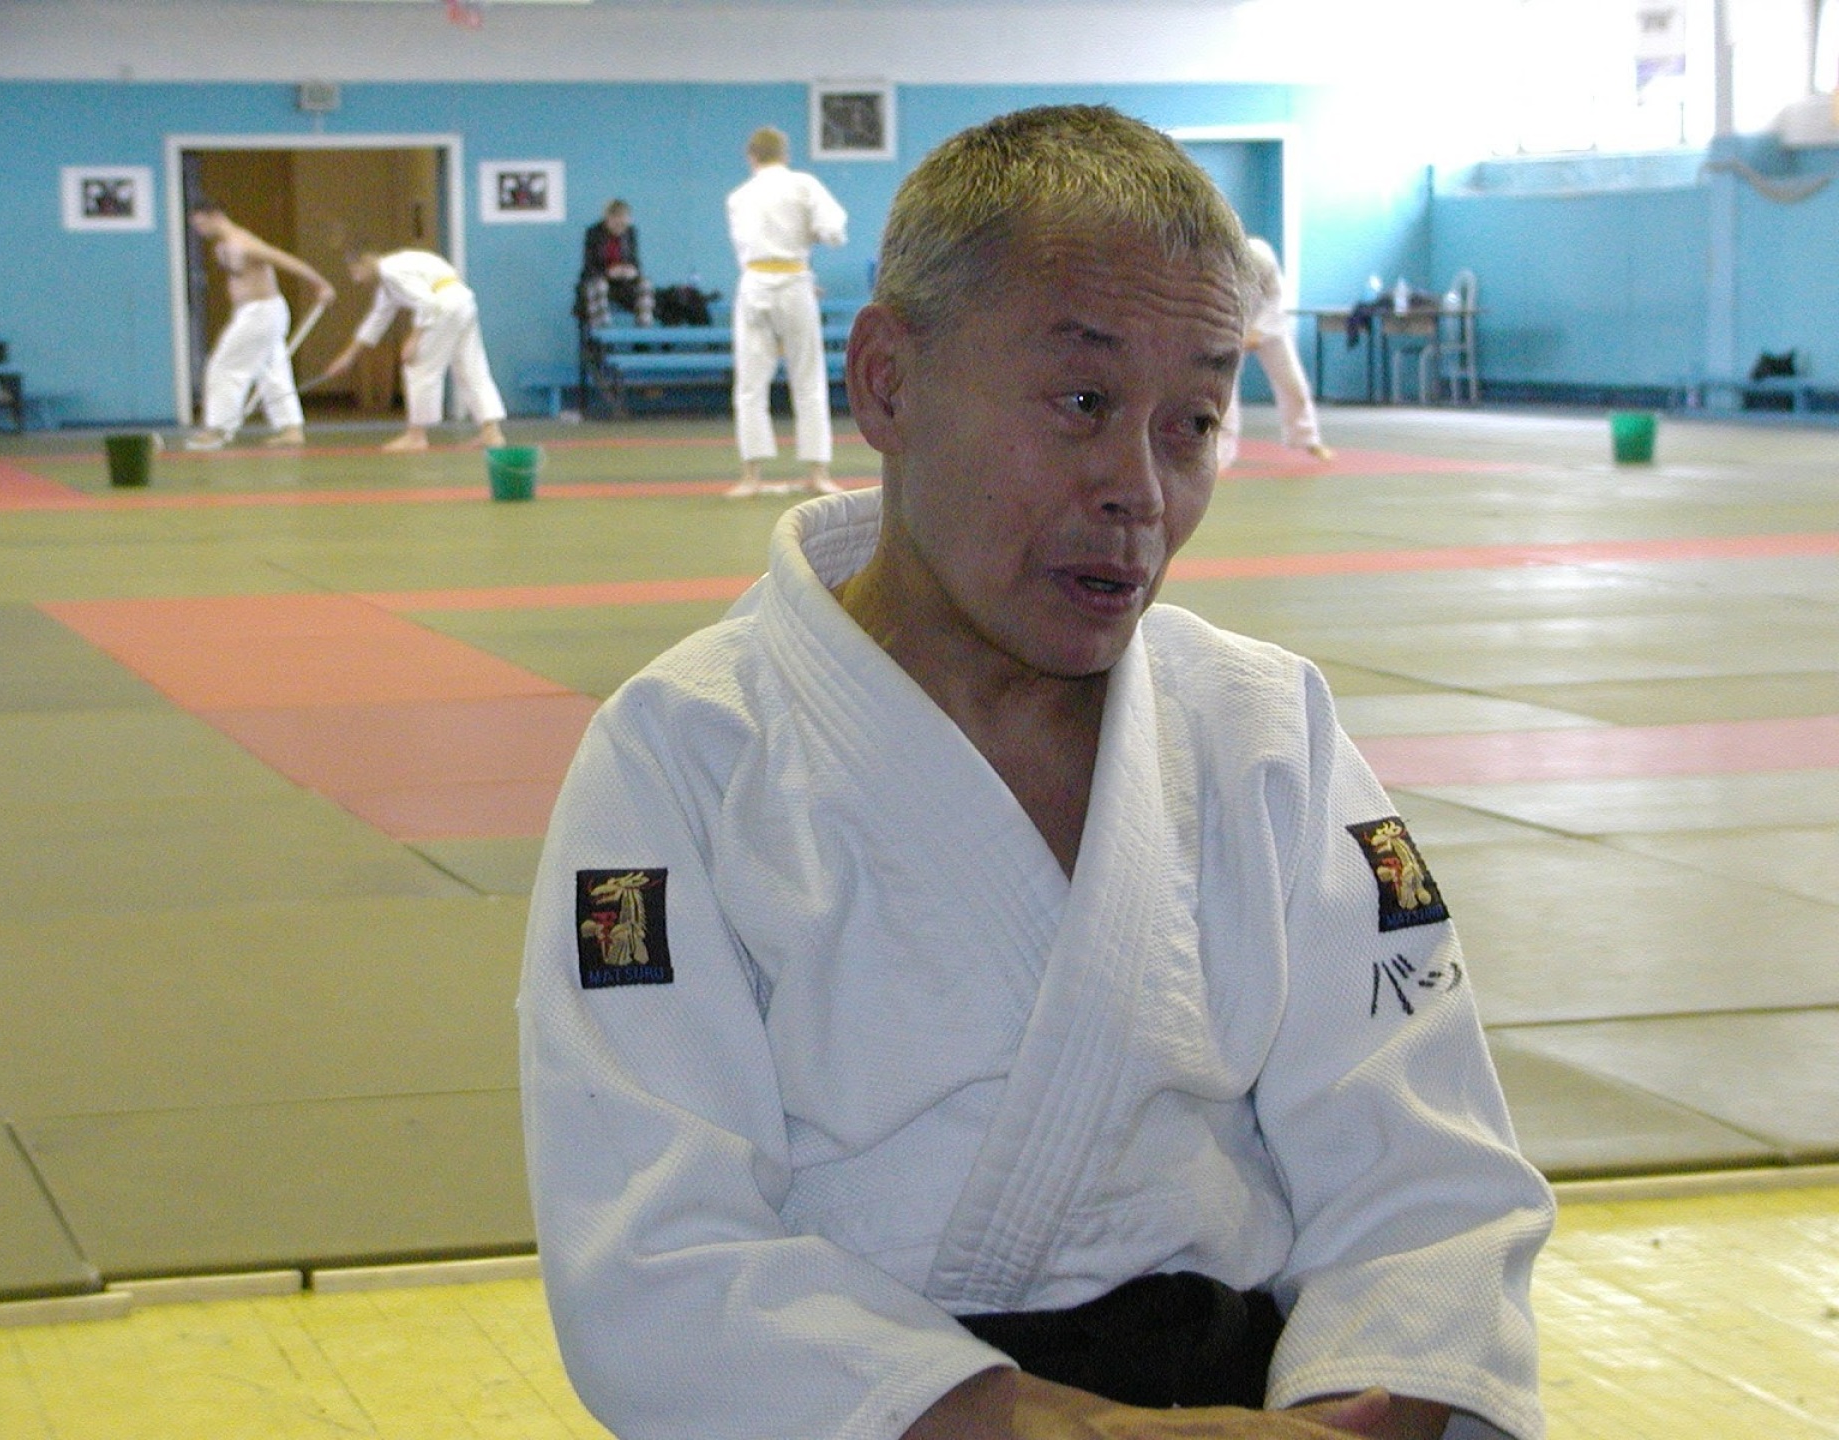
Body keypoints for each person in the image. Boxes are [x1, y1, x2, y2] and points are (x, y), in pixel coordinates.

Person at [520, 105, 1552, 1440]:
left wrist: (1356, 1420)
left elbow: (1429, 1185)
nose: (1140, 491)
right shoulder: (681, 761)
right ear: (887, 383)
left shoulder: (1264, 734)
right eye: (1082, 402)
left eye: (1193, 421)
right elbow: (658, 1259)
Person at [724, 124, 849, 498]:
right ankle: (818, 473)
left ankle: (751, 476)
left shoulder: (738, 197)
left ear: (751, 157)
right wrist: (810, 237)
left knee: (750, 384)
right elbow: (834, 231)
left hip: (755, 284)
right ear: (786, 155)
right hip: (795, 282)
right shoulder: (803, 185)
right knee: (808, 379)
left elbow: (745, 247)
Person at [317, 247, 506, 453]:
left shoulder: (391, 271)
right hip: (462, 302)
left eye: (356, 271)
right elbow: (376, 320)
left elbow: (427, 301)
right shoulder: (389, 282)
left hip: (443, 304)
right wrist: (347, 357)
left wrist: (414, 338)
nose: (357, 279)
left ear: (367, 260)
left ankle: (416, 436)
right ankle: (491, 432)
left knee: (418, 365)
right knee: (471, 367)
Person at [185, 200, 335, 450]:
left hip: (261, 312)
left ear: (215, 216)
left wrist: (320, 283)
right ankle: (291, 429)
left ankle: (218, 429)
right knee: (273, 371)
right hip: (252, 312)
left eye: (201, 224)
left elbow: (283, 259)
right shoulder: (223, 246)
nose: (200, 230)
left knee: (224, 366)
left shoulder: (242, 243)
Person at [1220, 235, 1334, 470]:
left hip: (1271, 325)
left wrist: (1259, 331)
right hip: (1233, 323)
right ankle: (1221, 451)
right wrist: (1237, 332)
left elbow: (1276, 298)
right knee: (1225, 388)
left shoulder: (1262, 257)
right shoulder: (1219, 264)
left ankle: (1307, 437)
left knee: (1293, 382)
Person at [576, 199, 655, 328]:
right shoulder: (593, 233)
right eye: (616, 222)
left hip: (624, 284)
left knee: (645, 284)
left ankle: (644, 327)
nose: (620, 227)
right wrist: (608, 272)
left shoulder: (631, 233)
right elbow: (589, 266)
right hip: (599, 280)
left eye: (623, 223)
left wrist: (632, 271)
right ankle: (602, 329)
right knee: (599, 285)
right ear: (607, 219)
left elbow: (635, 262)